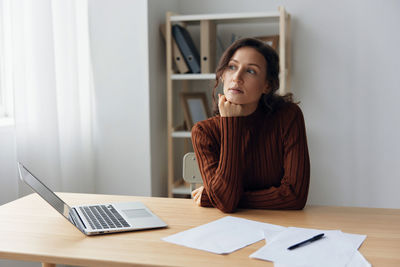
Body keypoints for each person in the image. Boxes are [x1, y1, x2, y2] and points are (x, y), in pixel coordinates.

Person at [190, 38, 310, 213]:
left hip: (280, 227)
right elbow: (225, 204)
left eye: (251, 71)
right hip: (224, 230)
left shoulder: (288, 117)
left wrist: (214, 196)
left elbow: (295, 196)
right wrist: (231, 124)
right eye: (232, 67)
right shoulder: (204, 132)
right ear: (222, 75)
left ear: (267, 85)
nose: (237, 78)